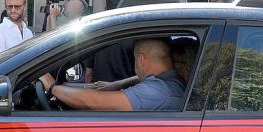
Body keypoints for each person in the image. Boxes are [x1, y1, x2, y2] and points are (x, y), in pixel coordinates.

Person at [39, 38, 185, 111]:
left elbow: (96, 101)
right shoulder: (172, 80)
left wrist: (52, 86)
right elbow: (147, 80)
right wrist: (119, 84)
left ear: (141, 59)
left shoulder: (157, 92)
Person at [84, 0, 132, 83]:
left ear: (106, 9)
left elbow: (88, 73)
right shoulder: (134, 34)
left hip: (101, 93)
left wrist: (88, 93)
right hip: (127, 93)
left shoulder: (96, 34)